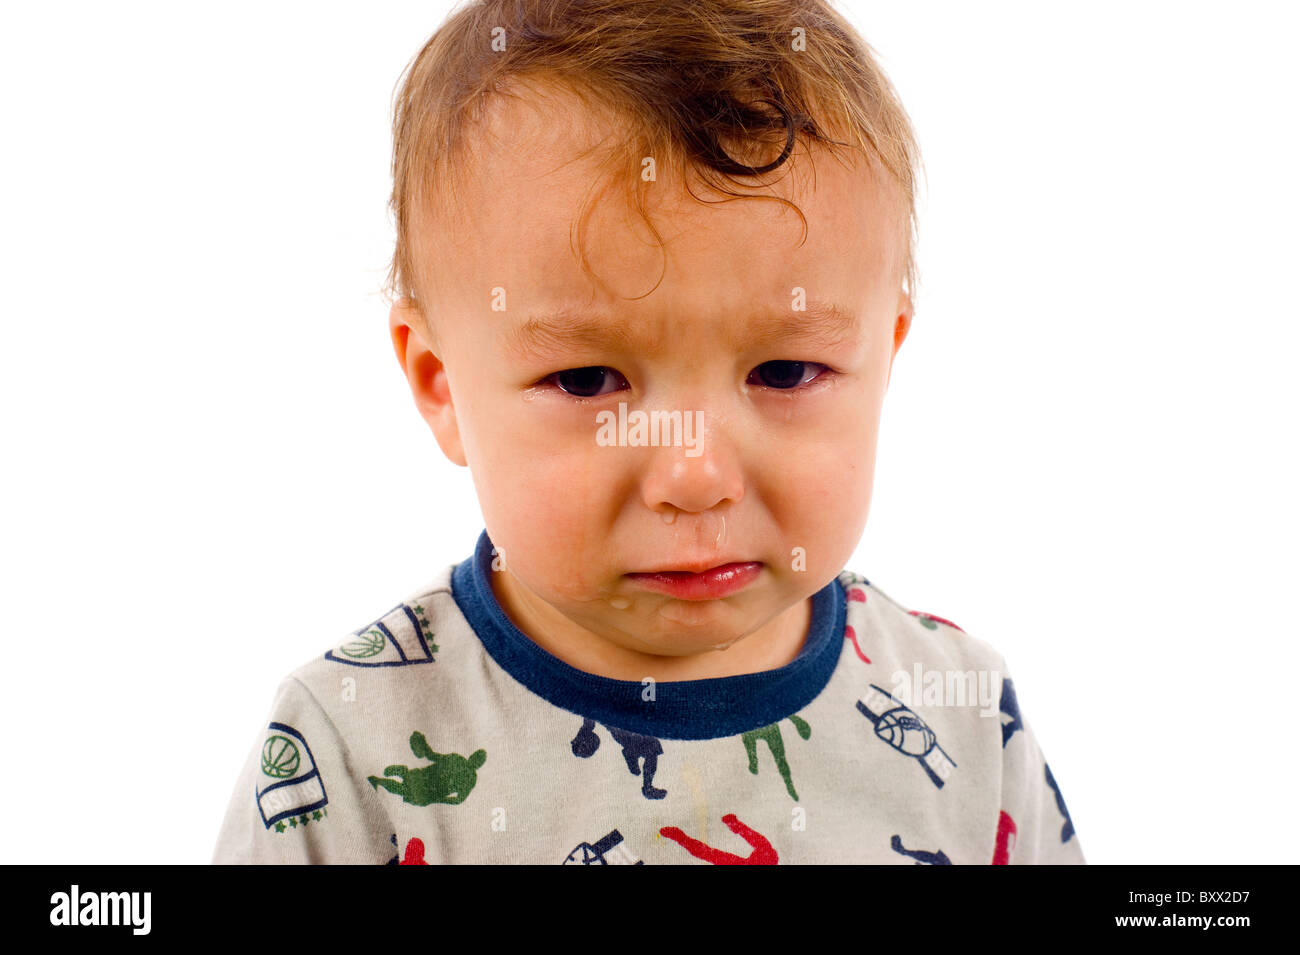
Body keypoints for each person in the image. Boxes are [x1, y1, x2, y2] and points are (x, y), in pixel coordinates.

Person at [213, 0, 1083, 865]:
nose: (697, 474)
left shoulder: (966, 716)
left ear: (885, 356)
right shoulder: (348, 754)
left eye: (783, 373)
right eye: (588, 380)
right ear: (440, 384)